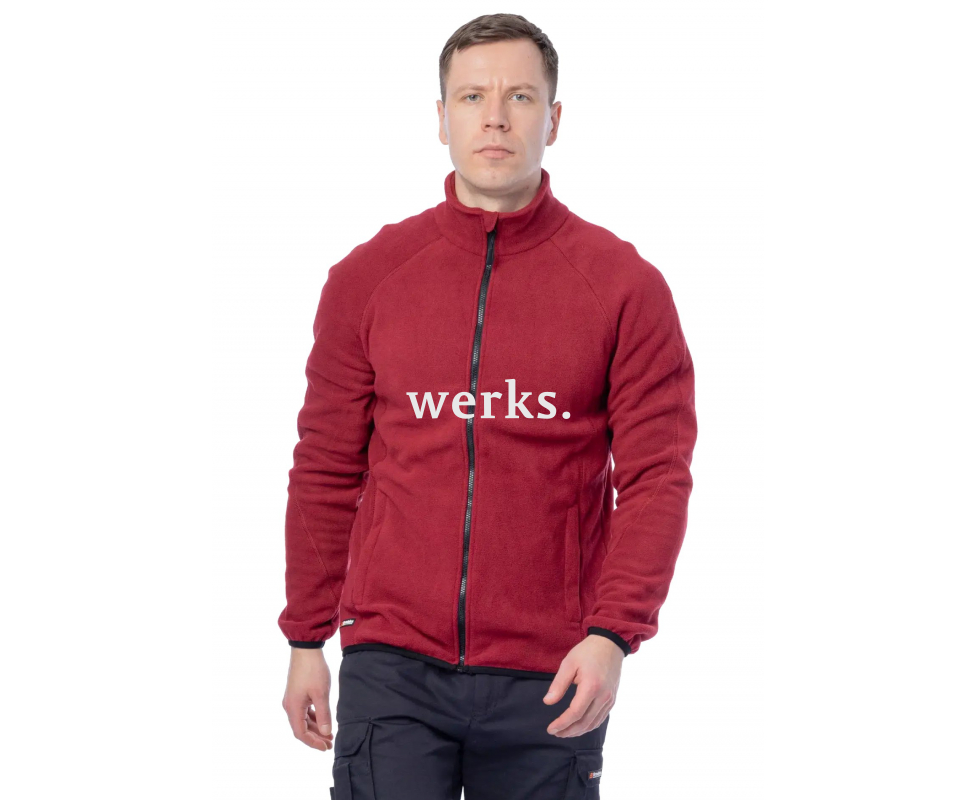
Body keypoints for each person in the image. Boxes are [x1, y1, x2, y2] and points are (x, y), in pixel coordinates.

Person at [279, 13, 697, 799]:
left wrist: (613, 635)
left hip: (554, 669)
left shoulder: (623, 288)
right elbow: (327, 467)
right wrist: (306, 635)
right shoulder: (368, 279)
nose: (495, 117)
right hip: (393, 664)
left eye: (520, 97)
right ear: (442, 117)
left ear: (554, 118)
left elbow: (656, 478)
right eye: (472, 97)